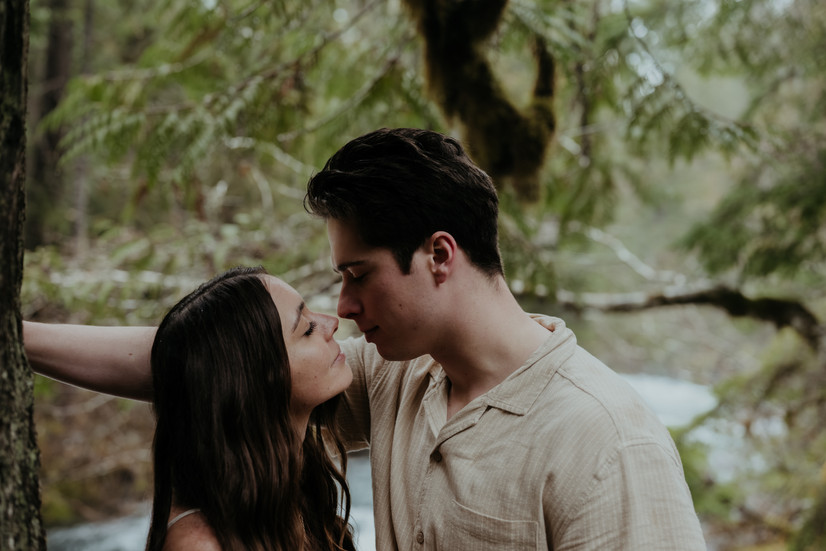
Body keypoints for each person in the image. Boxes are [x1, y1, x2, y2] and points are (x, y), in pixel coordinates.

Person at [25, 128, 707, 550]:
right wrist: (17, 340)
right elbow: (213, 362)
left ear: (439, 255)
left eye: (359, 275)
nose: (345, 308)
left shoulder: (606, 440)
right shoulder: (400, 376)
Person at [144, 266, 355, 550]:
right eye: (307, 329)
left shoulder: (292, 488)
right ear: (258, 379)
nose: (332, 323)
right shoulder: (202, 544)